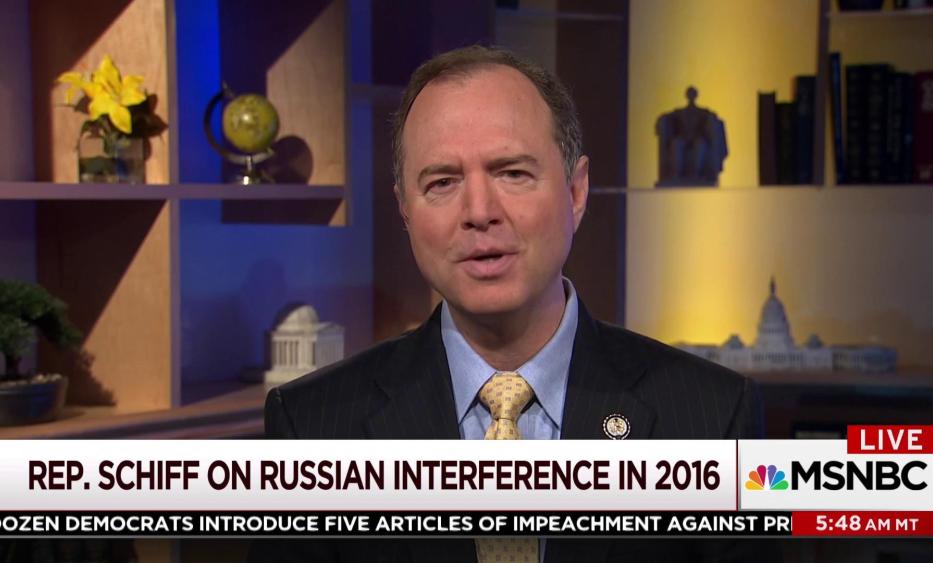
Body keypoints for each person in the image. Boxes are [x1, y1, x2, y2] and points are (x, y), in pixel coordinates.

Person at [250, 45, 765, 563]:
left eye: (512, 173)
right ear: (405, 210)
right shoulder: (311, 429)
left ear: (576, 191)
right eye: (442, 182)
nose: (479, 212)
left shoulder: (713, 419)